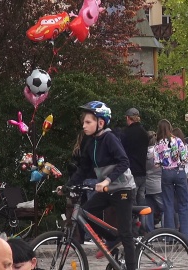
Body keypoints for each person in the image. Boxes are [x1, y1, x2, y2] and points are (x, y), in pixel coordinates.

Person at [58, 101, 136, 270]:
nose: (84, 126)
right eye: (83, 122)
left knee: (126, 233)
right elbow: (84, 169)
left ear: (100, 123)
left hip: (123, 188)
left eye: (88, 122)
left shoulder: (110, 138)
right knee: (84, 213)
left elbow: (124, 162)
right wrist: (67, 187)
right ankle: (112, 240)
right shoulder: (90, 142)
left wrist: (107, 180)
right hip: (107, 189)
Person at [153, 119, 188, 242]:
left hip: (166, 173)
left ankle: (170, 237)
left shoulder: (158, 144)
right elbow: (185, 158)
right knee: (184, 204)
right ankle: (186, 237)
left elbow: (156, 163)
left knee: (168, 204)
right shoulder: (178, 140)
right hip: (179, 172)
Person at [122, 108, 150, 206]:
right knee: (141, 198)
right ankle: (143, 220)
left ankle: (133, 221)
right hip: (143, 171)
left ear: (128, 118)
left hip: (131, 172)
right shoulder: (144, 133)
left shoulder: (126, 133)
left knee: (131, 201)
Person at [145, 131, 164, 232]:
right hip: (158, 184)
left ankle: (149, 231)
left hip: (147, 185)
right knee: (165, 208)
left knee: (148, 210)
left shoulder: (143, 153)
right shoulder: (158, 152)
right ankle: (165, 230)